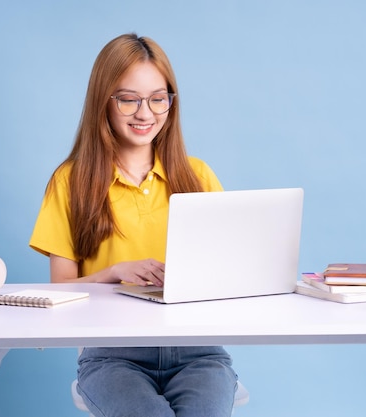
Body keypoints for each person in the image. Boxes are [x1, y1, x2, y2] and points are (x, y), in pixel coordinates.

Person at [29, 33, 237, 417]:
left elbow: (228, 276)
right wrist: (113, 273)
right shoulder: (71, 182)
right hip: (112, 355)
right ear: (102, 102)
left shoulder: (199, 177)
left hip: (198, 351)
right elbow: (56, 290)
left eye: (158, 99)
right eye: (129, 99)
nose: (145, 113)